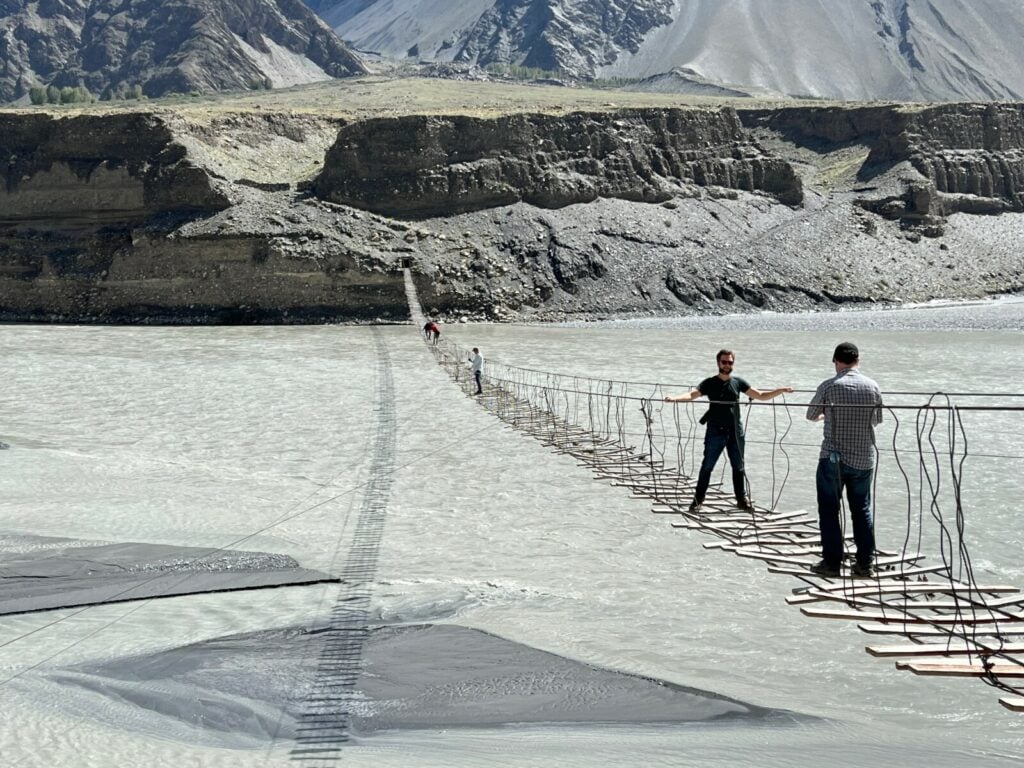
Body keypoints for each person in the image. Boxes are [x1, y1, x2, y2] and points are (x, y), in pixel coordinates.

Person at [665, 350, 792, 513]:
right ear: (718, 363)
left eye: (730, 362)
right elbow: (692, 394)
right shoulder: (709, 383)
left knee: (738, 467)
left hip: (735, 432)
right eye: (724, 362)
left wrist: (780, 390)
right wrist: (675, 398)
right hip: (715, 431)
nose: (727, 365)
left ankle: (741, 500)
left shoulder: (738, 382)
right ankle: (698, 500)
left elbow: (760, 395)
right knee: (707, 466)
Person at [806, 342, 883, 579]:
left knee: (829, 510)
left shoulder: (829, 386)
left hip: (833, 459)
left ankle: (832, 563)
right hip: (864, 458)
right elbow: (877, 420)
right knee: (862, 510)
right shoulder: (873, 386)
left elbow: (810, 415)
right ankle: (864, 564)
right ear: (857, 360)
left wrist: (827, 414)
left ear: (836, 361)